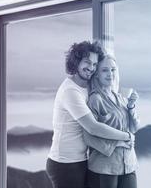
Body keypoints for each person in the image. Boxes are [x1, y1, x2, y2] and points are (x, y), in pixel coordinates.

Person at [46, 41, 134, 188]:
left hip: (80, 160)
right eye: (87, 62)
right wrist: (127, 136)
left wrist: (127, 103)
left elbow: (109, 87)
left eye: (94, 64)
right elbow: (93, 127)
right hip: (65, 163)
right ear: (76, 62)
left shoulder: (86, 86)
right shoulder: (71, 91)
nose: (91, 68)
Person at [86, 55, 140, 188]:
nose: (110, 74)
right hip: (105, 167)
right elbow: (88, 136)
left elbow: (134, 129)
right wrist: (117, 143)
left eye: (113, 70)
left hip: (128, 163)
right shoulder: (95, 99)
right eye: (105, 70)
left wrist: (131, 106)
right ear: (97, 74)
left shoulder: (122, 98)